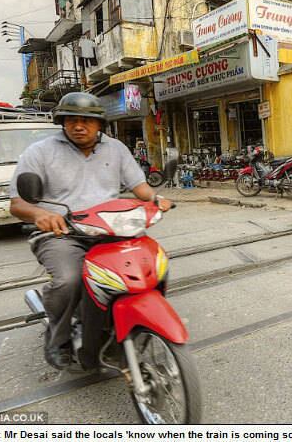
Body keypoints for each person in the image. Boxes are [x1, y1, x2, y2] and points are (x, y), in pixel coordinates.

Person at [9, 92, 173, 369]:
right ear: (62, 123)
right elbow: (17, 204)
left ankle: (128, 321)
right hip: (63, 234)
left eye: (86, 120)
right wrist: (41, 214)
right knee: (70, 279)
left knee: (152, 267)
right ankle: (58, 339)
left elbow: (139, 186)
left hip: (113, 231)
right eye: (71, 120)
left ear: (100, 125)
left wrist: (155, 199)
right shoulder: (40, 152)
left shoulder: (116, 148)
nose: (78, 126)